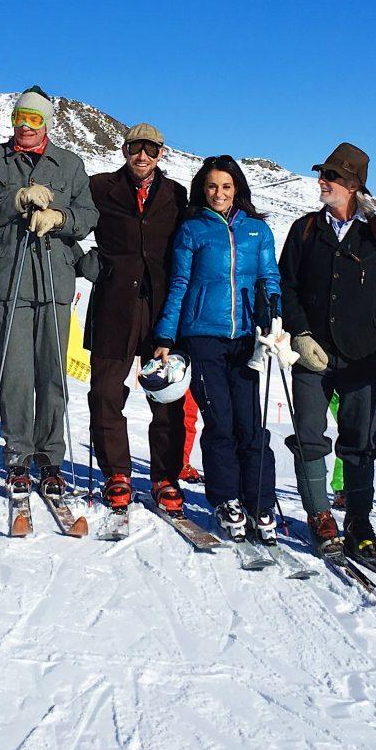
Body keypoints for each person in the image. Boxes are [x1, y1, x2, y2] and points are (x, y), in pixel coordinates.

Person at [278, 142, 376, 558]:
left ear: (353, 186)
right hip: (311, 353)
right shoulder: (305, 228)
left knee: (359, 443)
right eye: (323, 175)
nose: (322, 182)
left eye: (331, 177)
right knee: (310, 438)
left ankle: (359, 522)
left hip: (362, 356)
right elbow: (286, 286)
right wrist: (299, 333)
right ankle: (319, 515)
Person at [0, 89, 98, 499]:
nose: (26, 125)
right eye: (20, 116)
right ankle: (18, 454)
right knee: (16, 371)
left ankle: (51, 458)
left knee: (53, 370)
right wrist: (16, 199)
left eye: (35, 119)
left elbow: (88, 216)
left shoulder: (70, 165)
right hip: (9, 277)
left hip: (55, 278)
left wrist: (61, 217)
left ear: (48, 123)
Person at [152, 157, 286, 542]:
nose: (219, 194)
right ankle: (226, 499)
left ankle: (260, 502)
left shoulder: (257, 231)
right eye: (212, 187)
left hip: (247, 337)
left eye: (226, 187)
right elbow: (179, 283)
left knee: (250, 423)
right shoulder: (193, 229)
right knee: (220, 421)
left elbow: (269, 277)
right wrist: (165, 337)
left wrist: (273, 314)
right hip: (202, 336)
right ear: (203, 189)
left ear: (237, 189)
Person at [84, 123, 189, 513]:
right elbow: (75, 221)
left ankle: (165, 477)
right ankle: (117, 473)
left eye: (151, 149)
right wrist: (83, 260)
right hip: (113, 304)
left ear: (161, 153)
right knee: (106, 392)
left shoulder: (177, 195)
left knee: (166, 396)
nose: (142, 156)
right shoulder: (100, 187)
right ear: (125, 150)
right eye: (135, 148)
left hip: (163, 307)